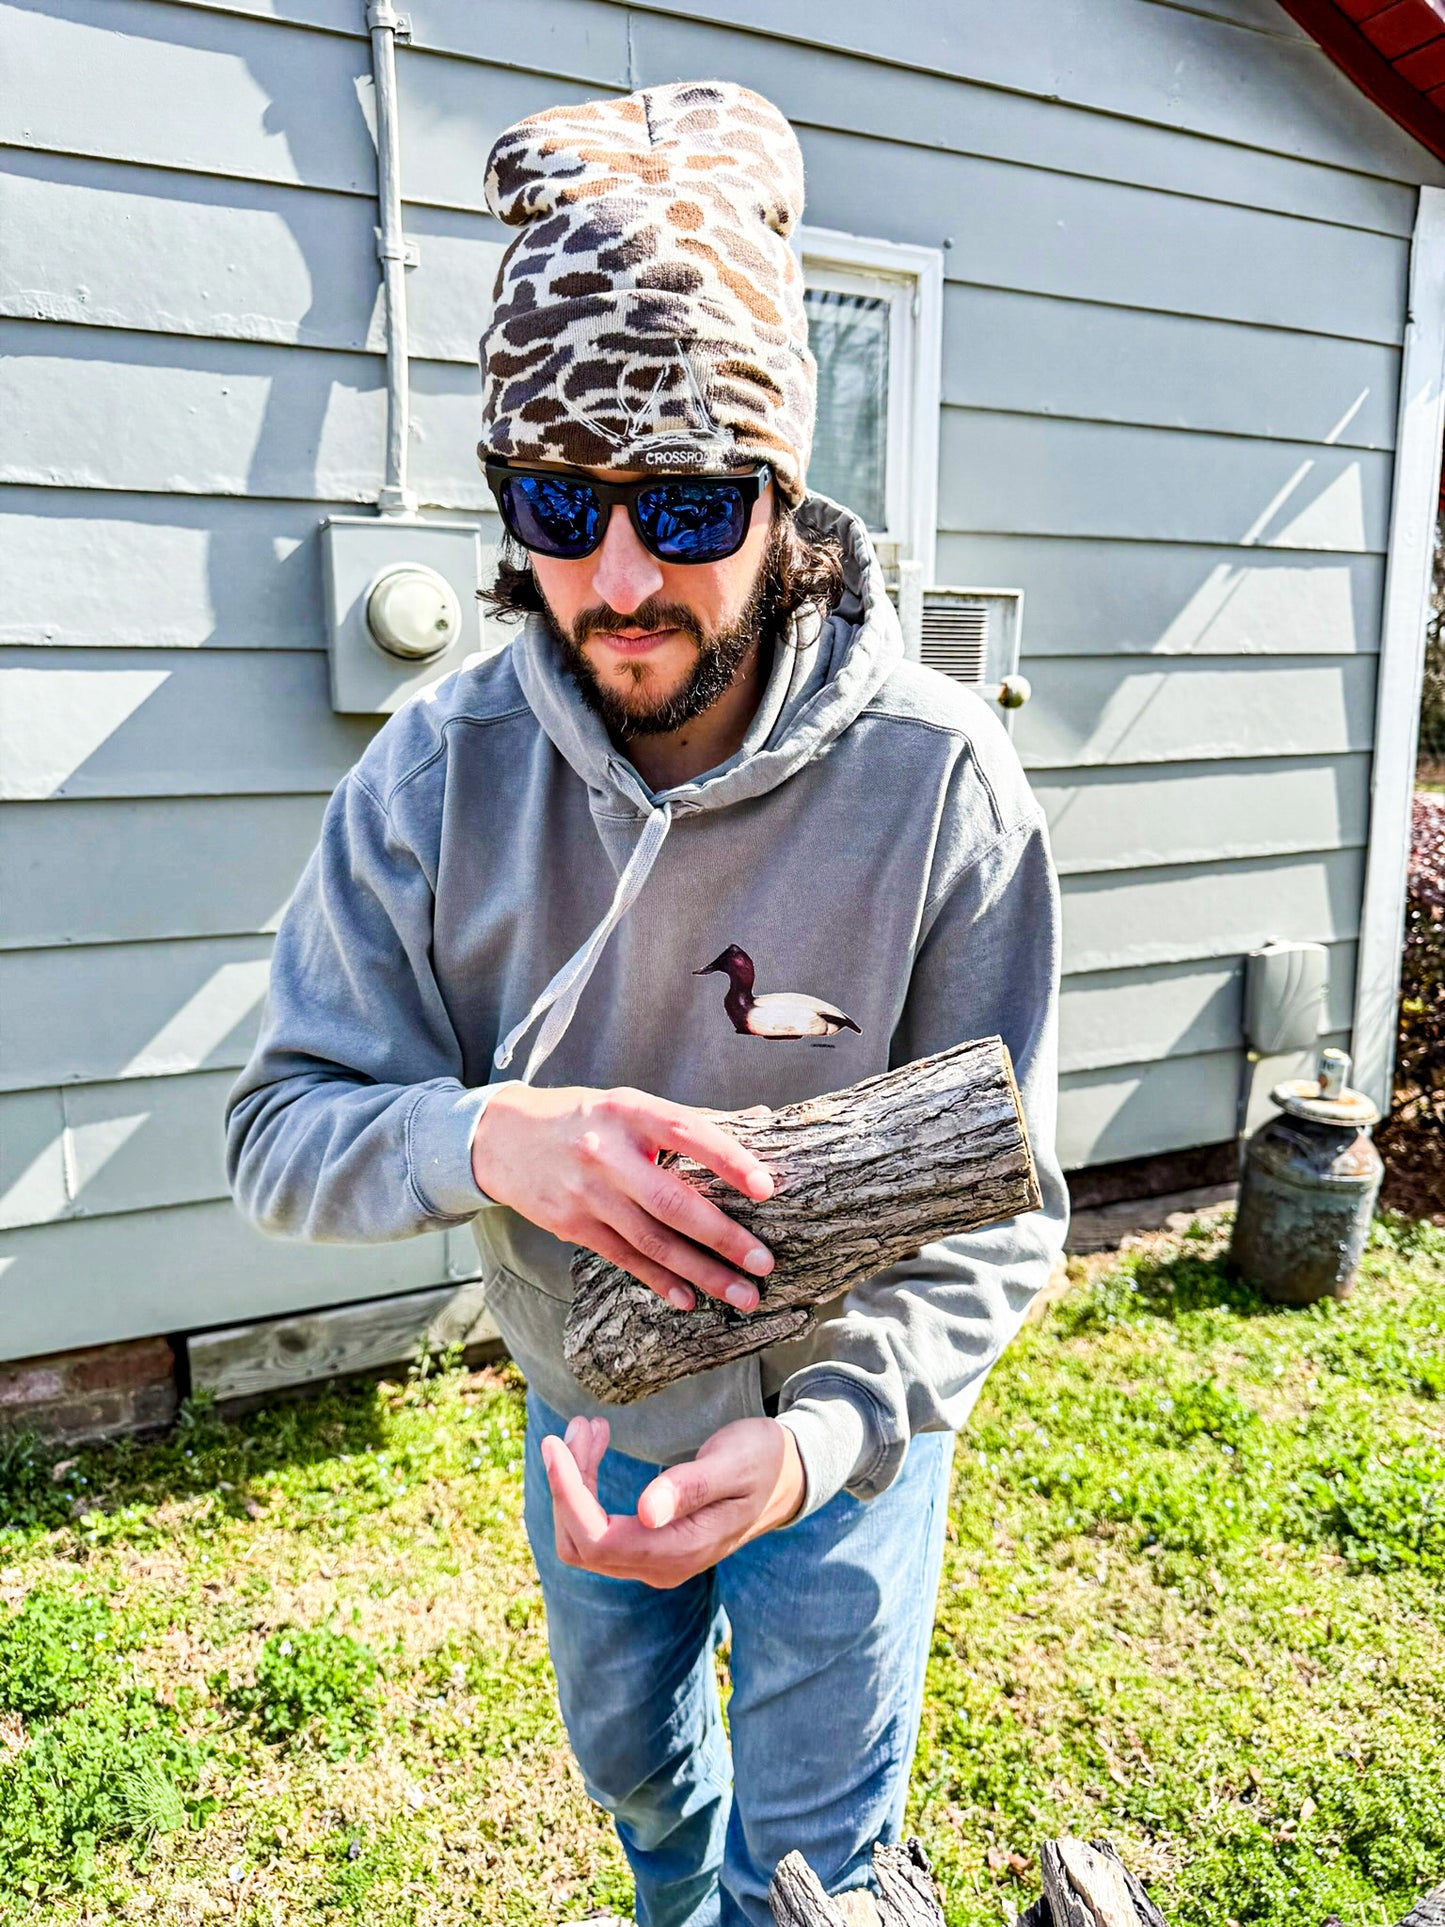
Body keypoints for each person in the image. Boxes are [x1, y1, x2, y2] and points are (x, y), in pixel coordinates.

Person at [227, 79, 1067, 1927]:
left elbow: (1012, 1211)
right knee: (630, 1771)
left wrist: (829, 1436)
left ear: (782, 497)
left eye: (686, 503)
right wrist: (490, 1138)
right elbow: (275, 1134)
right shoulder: (433, 779)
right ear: (506, 500)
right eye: (561, 503)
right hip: (582, 1410)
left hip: (842, 1444)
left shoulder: (935, 783)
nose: (620, 581)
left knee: (818, 1850)